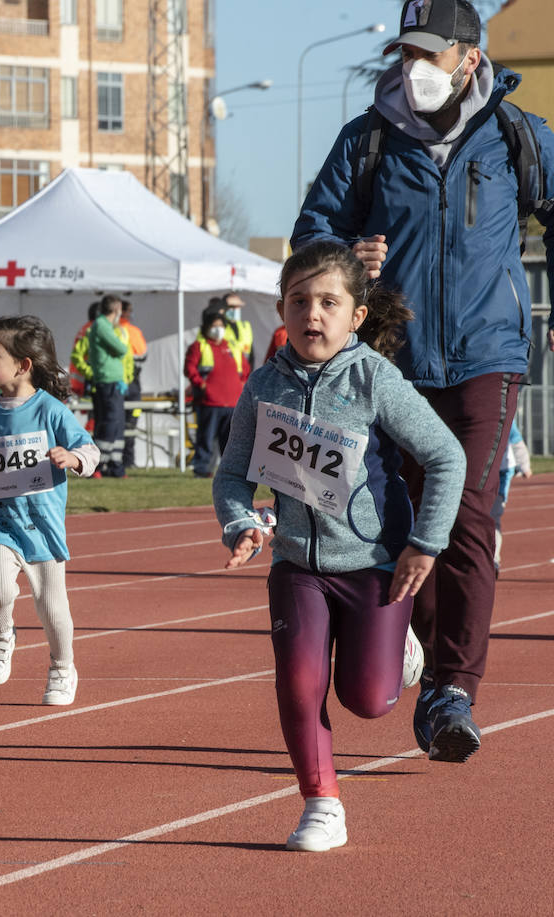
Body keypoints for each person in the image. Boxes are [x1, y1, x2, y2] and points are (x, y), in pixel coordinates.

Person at [291, 0, 554, 762]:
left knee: (465, 520)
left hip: (488, 359)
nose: (415, 69)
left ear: (469, 58)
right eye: (407, 54)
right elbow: (311, 232)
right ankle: (423, 658)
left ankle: (452, 688)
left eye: (431, 54)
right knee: (396, 523)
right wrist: (344, 255)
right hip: (391, 361)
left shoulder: (515, 134)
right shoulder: (366, 139)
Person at [214, 242, 465, 852]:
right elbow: (232, 474)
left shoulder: (374, 377)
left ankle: (401, 656)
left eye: (328, 302)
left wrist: (424, 545)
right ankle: (321, 803)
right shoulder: (264, 384)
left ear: (356, 315)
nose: (312, 315)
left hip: (375, 565)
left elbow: (445, 456)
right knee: (299, 684)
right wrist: (240, 521)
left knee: (368, 700)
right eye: (299, 301)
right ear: (281, 309)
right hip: (297, 564)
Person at [0, 316, 101, 705]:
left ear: (23, 365)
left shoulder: (51, 410)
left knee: (52, 609)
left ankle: (62, 667)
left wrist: (71, 458)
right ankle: (3, 633)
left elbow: (90, 451)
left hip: (43, 527)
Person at [184, 308, 248, 478]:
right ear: (206, 327)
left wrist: (241, 384)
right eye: (214, 325)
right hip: (209, 402)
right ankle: (202, 469)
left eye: (221, 325)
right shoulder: (199, 346)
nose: (218, 329)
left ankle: (230, 470)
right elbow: (189, 368)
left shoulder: (232, 346)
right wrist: (202, 385)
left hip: (232, 401)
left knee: (230, 440)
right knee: (206, 438)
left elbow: (246, 368)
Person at [86, 294, 129, 477]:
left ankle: (115, 464)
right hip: (107, 381)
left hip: (114, 381)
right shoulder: (102, 325)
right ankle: (98, 464)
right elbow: (122, 349)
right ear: (116, 309)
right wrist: (120, 346)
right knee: (109, 423)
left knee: (117, 423)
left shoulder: (106, 326)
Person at [491, 419, 531, 571]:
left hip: (501, 473)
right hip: (479, 471)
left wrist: (525, 466)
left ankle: (494, 559)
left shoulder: (505, 414)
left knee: (493, 518)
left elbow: (516, 441)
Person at [118, 300, 149, 470]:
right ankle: (128, 460)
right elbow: (143, 355)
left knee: (116, 422)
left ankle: (121, 460)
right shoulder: (133, 331)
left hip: (117, 383)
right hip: (131, 382)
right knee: (131, 422)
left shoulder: (112, 330)